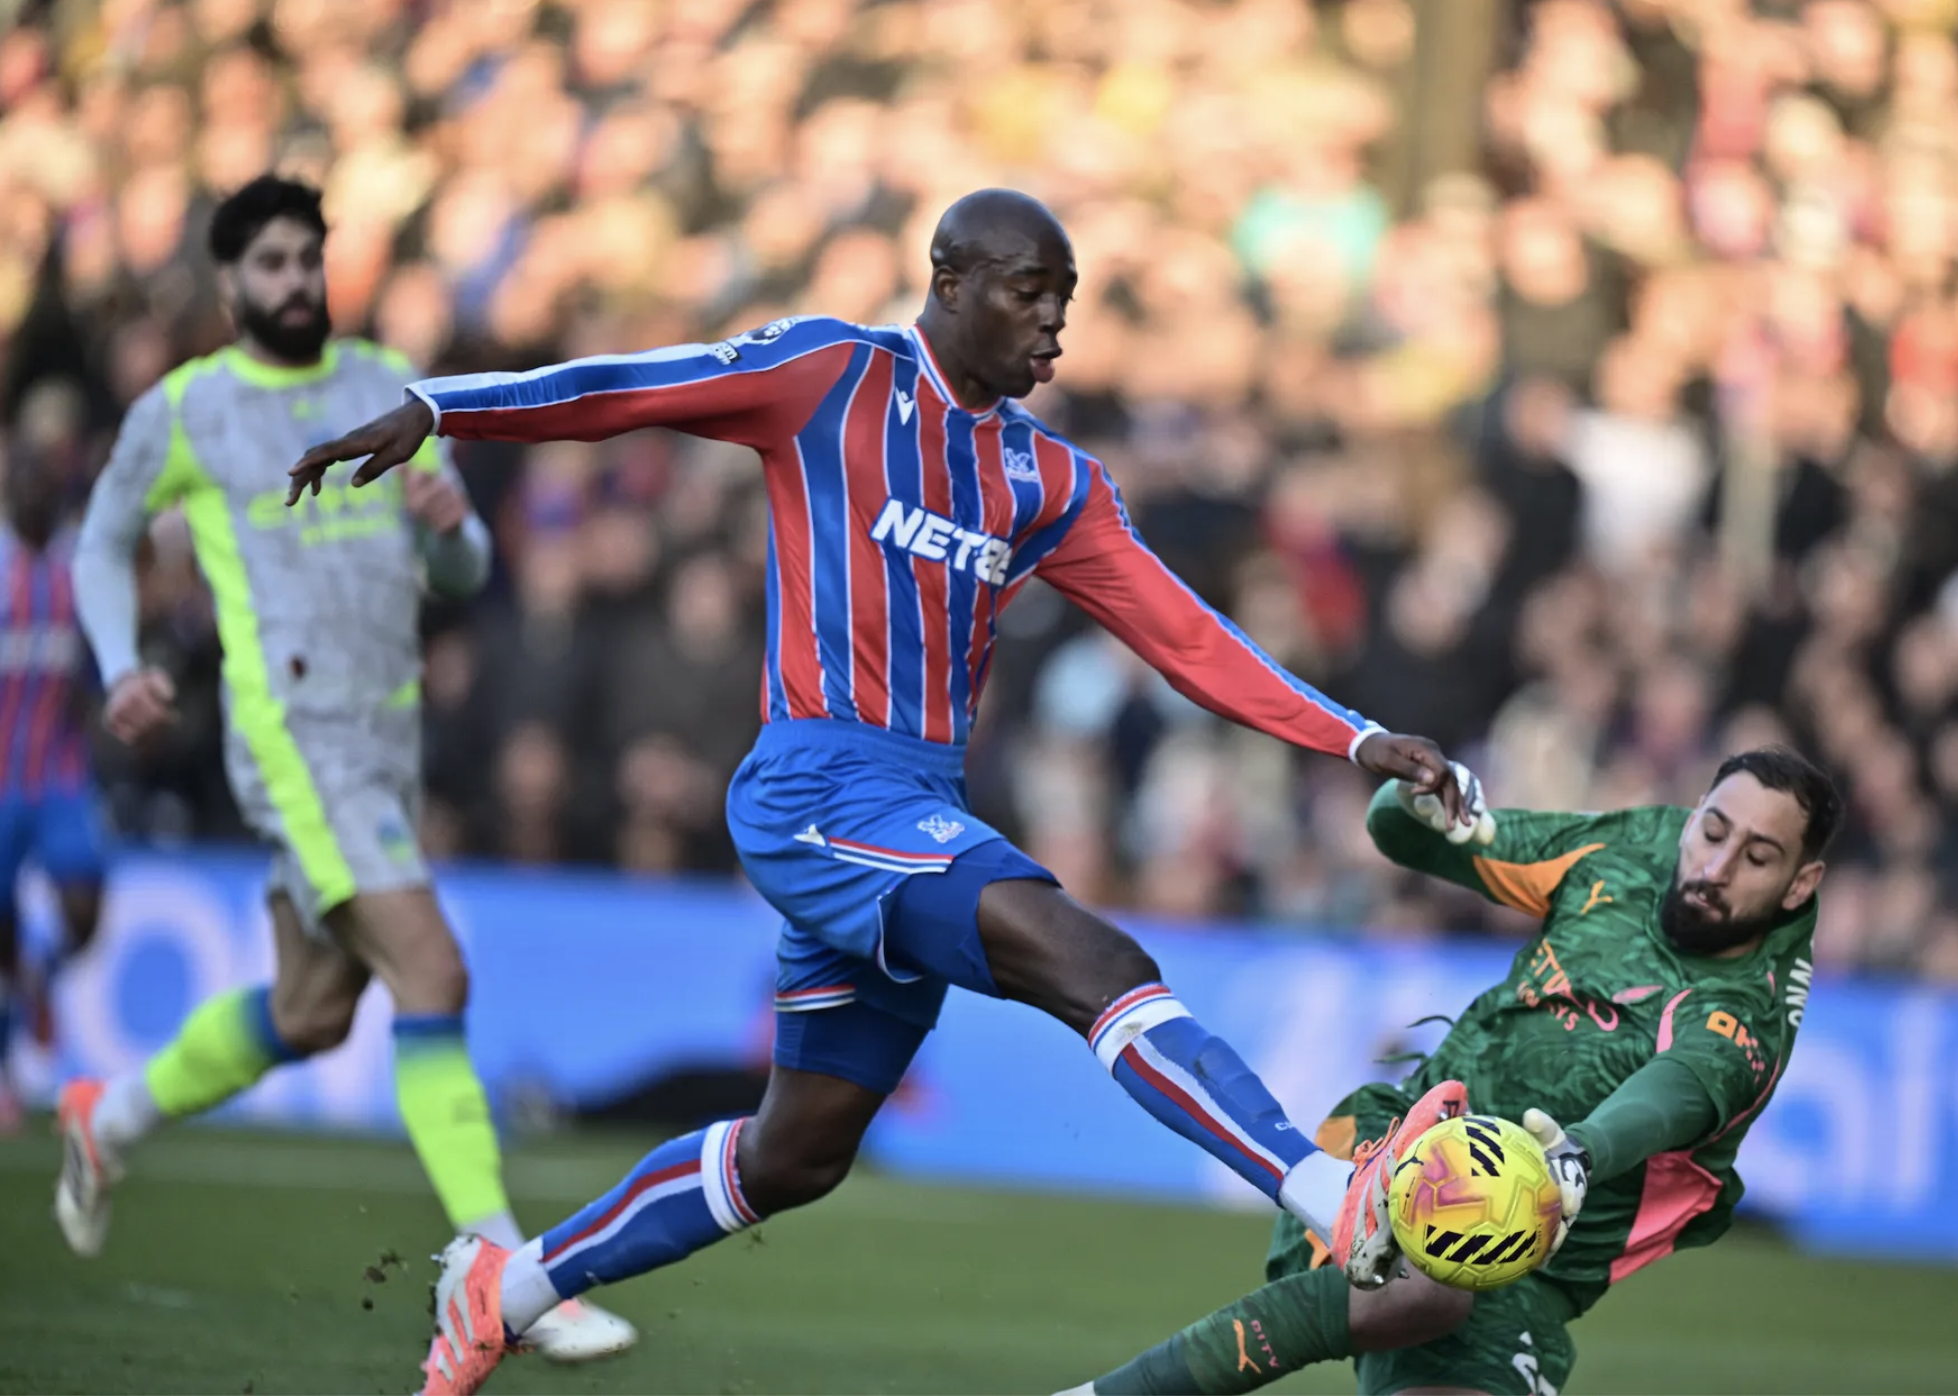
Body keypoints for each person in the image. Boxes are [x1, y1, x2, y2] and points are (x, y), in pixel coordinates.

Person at [283, 187, 1491, 1395]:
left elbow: (1184, 634)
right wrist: (446, 405)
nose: (1055, 325)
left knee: (794, 1153)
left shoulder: (1051, 479)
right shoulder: (829, 376)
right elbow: (632, 387)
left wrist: (1353, 736)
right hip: (815, 782)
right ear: (950, 278)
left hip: (914, 802)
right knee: (1091, 960)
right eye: (1031, 292)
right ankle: (1334, 1193)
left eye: (1065, 300)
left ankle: (507, 1287)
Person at [58, 174, 632, 1363]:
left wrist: (452, 530)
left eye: (308, 259)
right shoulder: (188, 409)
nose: (295, 283)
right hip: (296, 743)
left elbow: (469, 577)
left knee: (314, 1013)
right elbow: (106, 540)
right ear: (228, 283)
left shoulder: (387, 388)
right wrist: (120, 660)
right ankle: (505, 1270)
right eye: (270, 264)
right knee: (432, 965)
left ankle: (104, 1115)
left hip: (385, 743)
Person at [1067, 746, 1841, 1396]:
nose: (1715, 864)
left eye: (1757, 856)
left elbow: (1671, 1095)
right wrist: (1416, 802)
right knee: (1432, 1274)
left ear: (1800, 884)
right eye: (1712, 830)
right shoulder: (1633, 845)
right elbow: (1407, 836)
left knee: (1452, 1273)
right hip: (1387, 1144)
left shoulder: (1753, 1009)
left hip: (1527, 1279)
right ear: (1695, 810)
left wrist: (1576, 1154)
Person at [0, 451, 107, 1131]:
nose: (36, 493)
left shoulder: (77, 572)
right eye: (25, 482)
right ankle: (8, 1067)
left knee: (85, 907)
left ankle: (39, 970)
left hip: (60, 773)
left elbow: (92, 669)